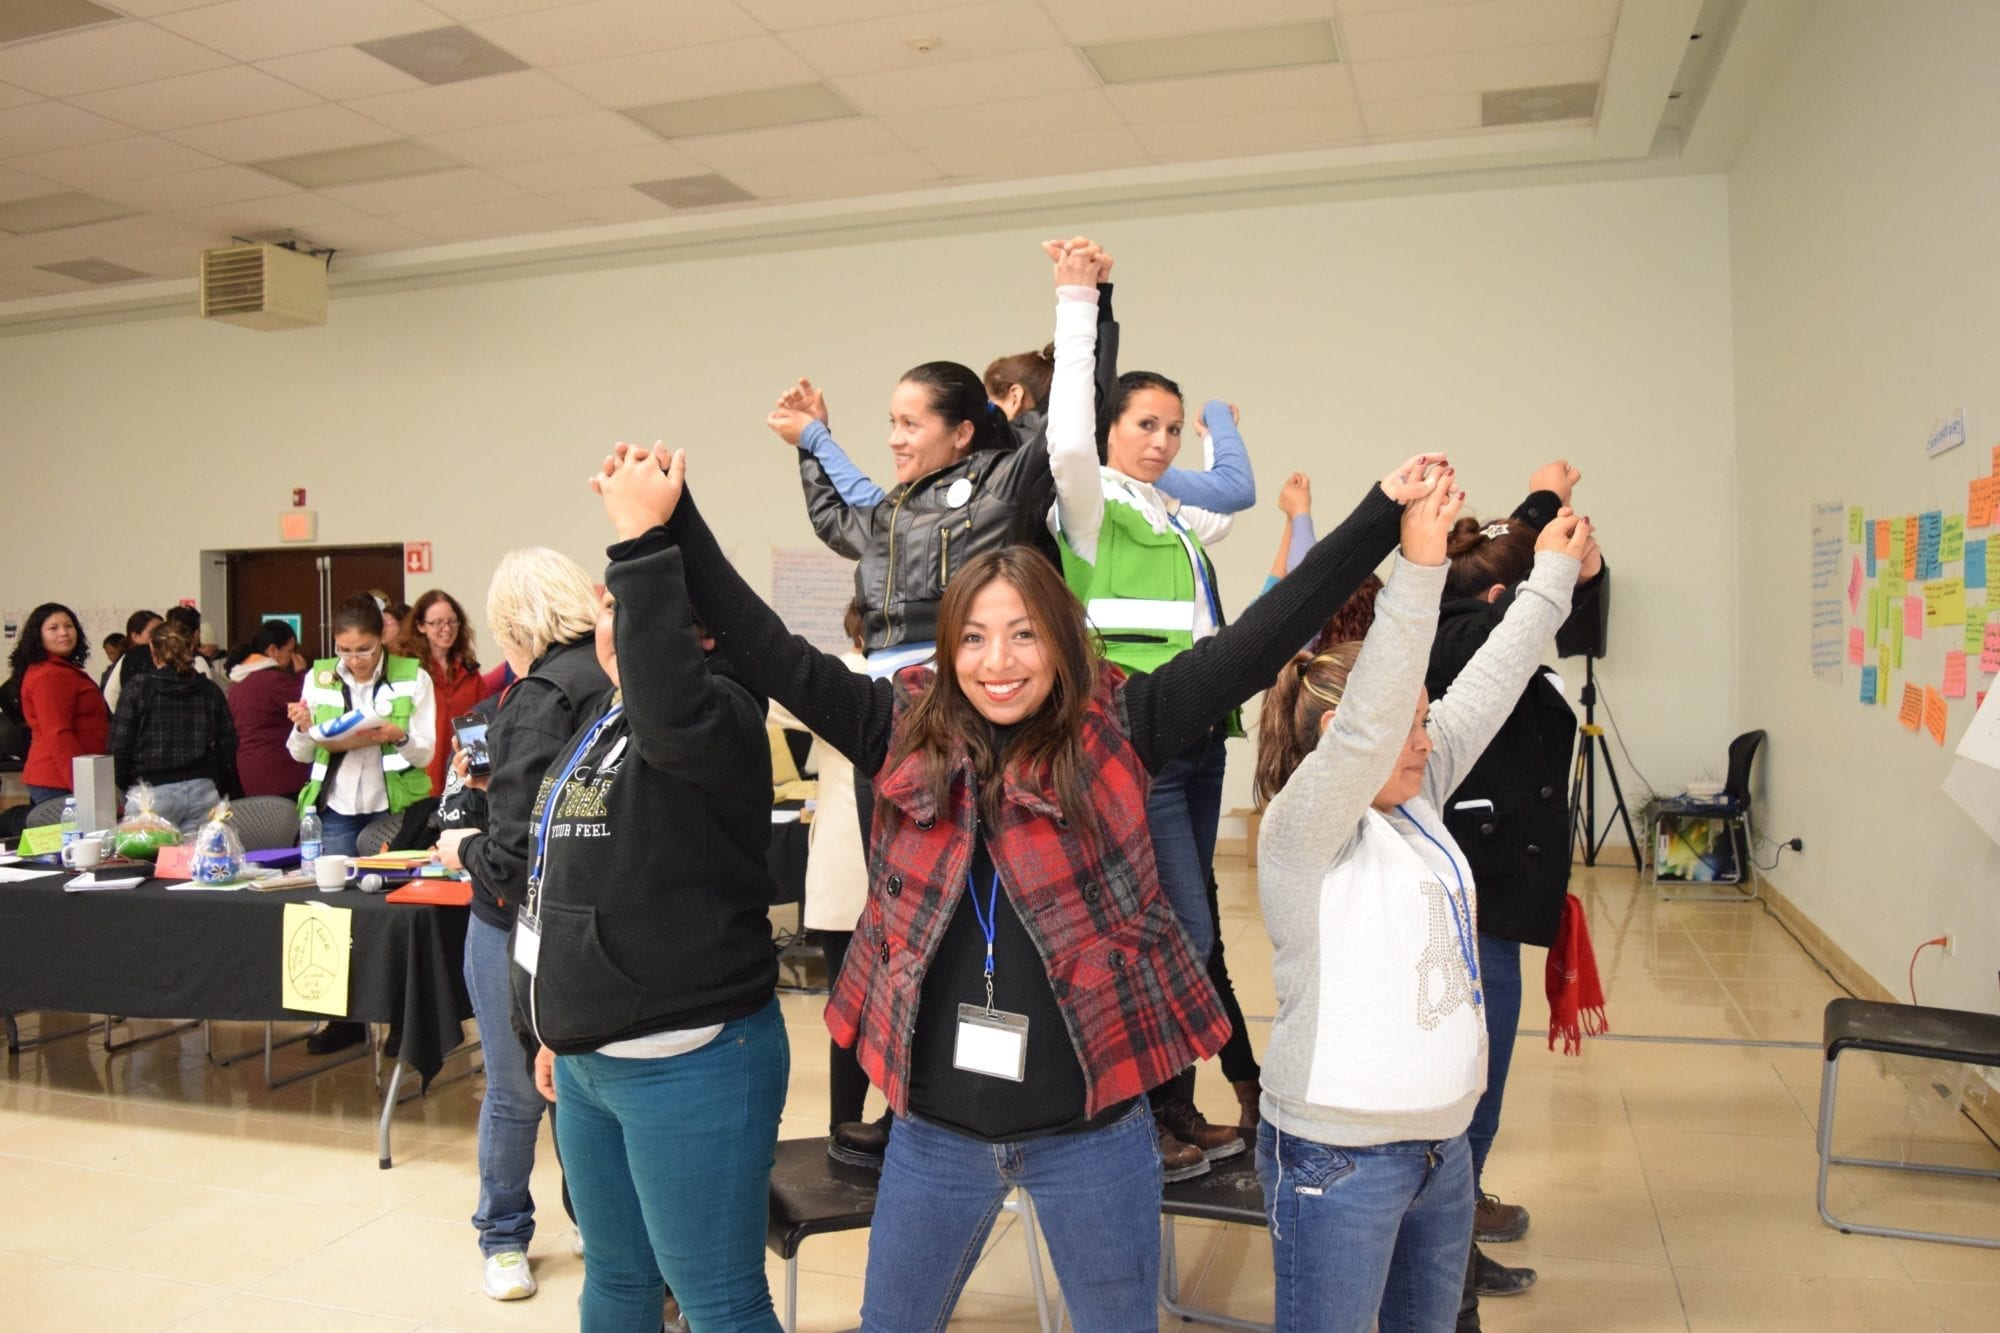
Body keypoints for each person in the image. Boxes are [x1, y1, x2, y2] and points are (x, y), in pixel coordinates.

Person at [627, 432, 1434, 1329]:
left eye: (1021, 634)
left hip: (1092, 1138)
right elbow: (768, 647)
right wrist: (673, 518)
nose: (996, 661)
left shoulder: (1127, 722)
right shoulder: (895, 727)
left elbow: (1260, 639)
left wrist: (1379, 516)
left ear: (1059, 638)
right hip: (934, 1135)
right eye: (973, 637)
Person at [1251, 471, 1592, 1333]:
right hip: (1341, 1158)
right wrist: (1419, 566)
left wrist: (1550, 577)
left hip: (1439, 1154)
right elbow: (1372, 725)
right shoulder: (1300, 831)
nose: (1425, 736)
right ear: (1341, 740)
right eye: (1410, 722)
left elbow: (1491, 682)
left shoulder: (1417, 798)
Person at [522, 458, 788, 1333]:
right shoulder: (602, 719)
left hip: (691, 1054)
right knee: (617, 1284)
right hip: (590, 1060)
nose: (612, 620)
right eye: (606, 602)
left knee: (716, 1299)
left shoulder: (721, 714)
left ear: (691, 630)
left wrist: (642, 540)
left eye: (628, 605)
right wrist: (553, 1022)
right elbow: (560, 876)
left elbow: (671, 710)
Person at [1043, 235, 1253, 1173]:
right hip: (1140, 744)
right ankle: (1145, 1110)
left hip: (1200, 744)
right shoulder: (1091, 506)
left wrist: (1222, 428)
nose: (1163, 442)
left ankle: (1169, 1107)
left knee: (1178, 919)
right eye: (1148, 426)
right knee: (1179, 931)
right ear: (1112, 432)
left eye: (1174, 428)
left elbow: (1239, 494)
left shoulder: (1175, 512)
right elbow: (1065, 438)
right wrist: (1078, 301)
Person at [1425, 460, 1607, 1314]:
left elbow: (1564, 602)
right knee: (1473, 1096)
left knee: (1480, 1096)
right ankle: (1444, 1261)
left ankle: (1453, 1241)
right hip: (1477, 912)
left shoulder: (1478, 617)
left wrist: (1547, 508)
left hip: (1500, 907)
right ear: (1506, 602)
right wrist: (1546, 545)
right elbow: (1489, 623)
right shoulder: (1453, 637)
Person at [433, 549, 612, 1303]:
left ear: (513, 620)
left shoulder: (539, 693)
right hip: (589, 924)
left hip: (518, 923)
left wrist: (458, 843)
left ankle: (503, 1235)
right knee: (581, 1085)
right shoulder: (612, 678)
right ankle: (593, 1223)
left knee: (516, 1089)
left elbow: (507, 857)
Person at [286, 596, 435, 1055]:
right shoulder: (319, 675)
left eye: (365, 650)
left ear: (383, 638)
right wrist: (302, 728)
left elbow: (426, 752)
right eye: (345, 650)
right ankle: (341, 1020)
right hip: (336, 811)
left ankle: (399, 1019)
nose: (355, 660)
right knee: (331, 915)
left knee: (393, 916)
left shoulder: (414, 676)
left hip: (392, 809)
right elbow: (300, 753)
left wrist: (399, 735)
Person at [766, 601, 883, 1165]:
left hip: (845, 875)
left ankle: (845, 1130)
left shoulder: (837, 676)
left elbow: (769, 698)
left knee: (847, 1012)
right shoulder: (901, 674)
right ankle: (890, 1126)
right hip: (880, 873)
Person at [108, 615, 238, 837]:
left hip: (151, 792)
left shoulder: (138, 688)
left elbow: (118, 748)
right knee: (198, 863)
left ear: (152, 648)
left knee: (147, 863)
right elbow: (228, 744)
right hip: (202, 788)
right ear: (193, 647)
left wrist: (128, 784)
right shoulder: (208, 690)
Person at [10, 602, 108, 807]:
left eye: (69, 626)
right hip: (60, 779)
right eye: (53, 628)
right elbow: (58, 734)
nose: (64, 633)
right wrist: (83, 785)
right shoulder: (49, 674)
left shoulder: (59, 669)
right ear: (39, 635)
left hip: (71, 775)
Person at [400, 589, 486, 794]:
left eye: (452, 621)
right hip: (418, 780)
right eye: (437, 622)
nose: (446, 628)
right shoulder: (407, 673)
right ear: (421, 626)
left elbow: (482, 727)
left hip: (462, 781)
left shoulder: (470, 672)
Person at [226, 621, 310, 800]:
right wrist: (302, 673)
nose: (293, 657)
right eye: (290, 651)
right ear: (273, 650)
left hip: (249, 769)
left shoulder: (237, 681)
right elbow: (308, 700)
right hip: (280, 770)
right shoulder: (272, 680)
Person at [102, 609, 163, 712]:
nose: (161, 636)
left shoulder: (163, 655)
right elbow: (110, 695)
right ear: (135, 636)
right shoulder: (132, 658)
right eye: (153, 633)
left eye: (163, 631)